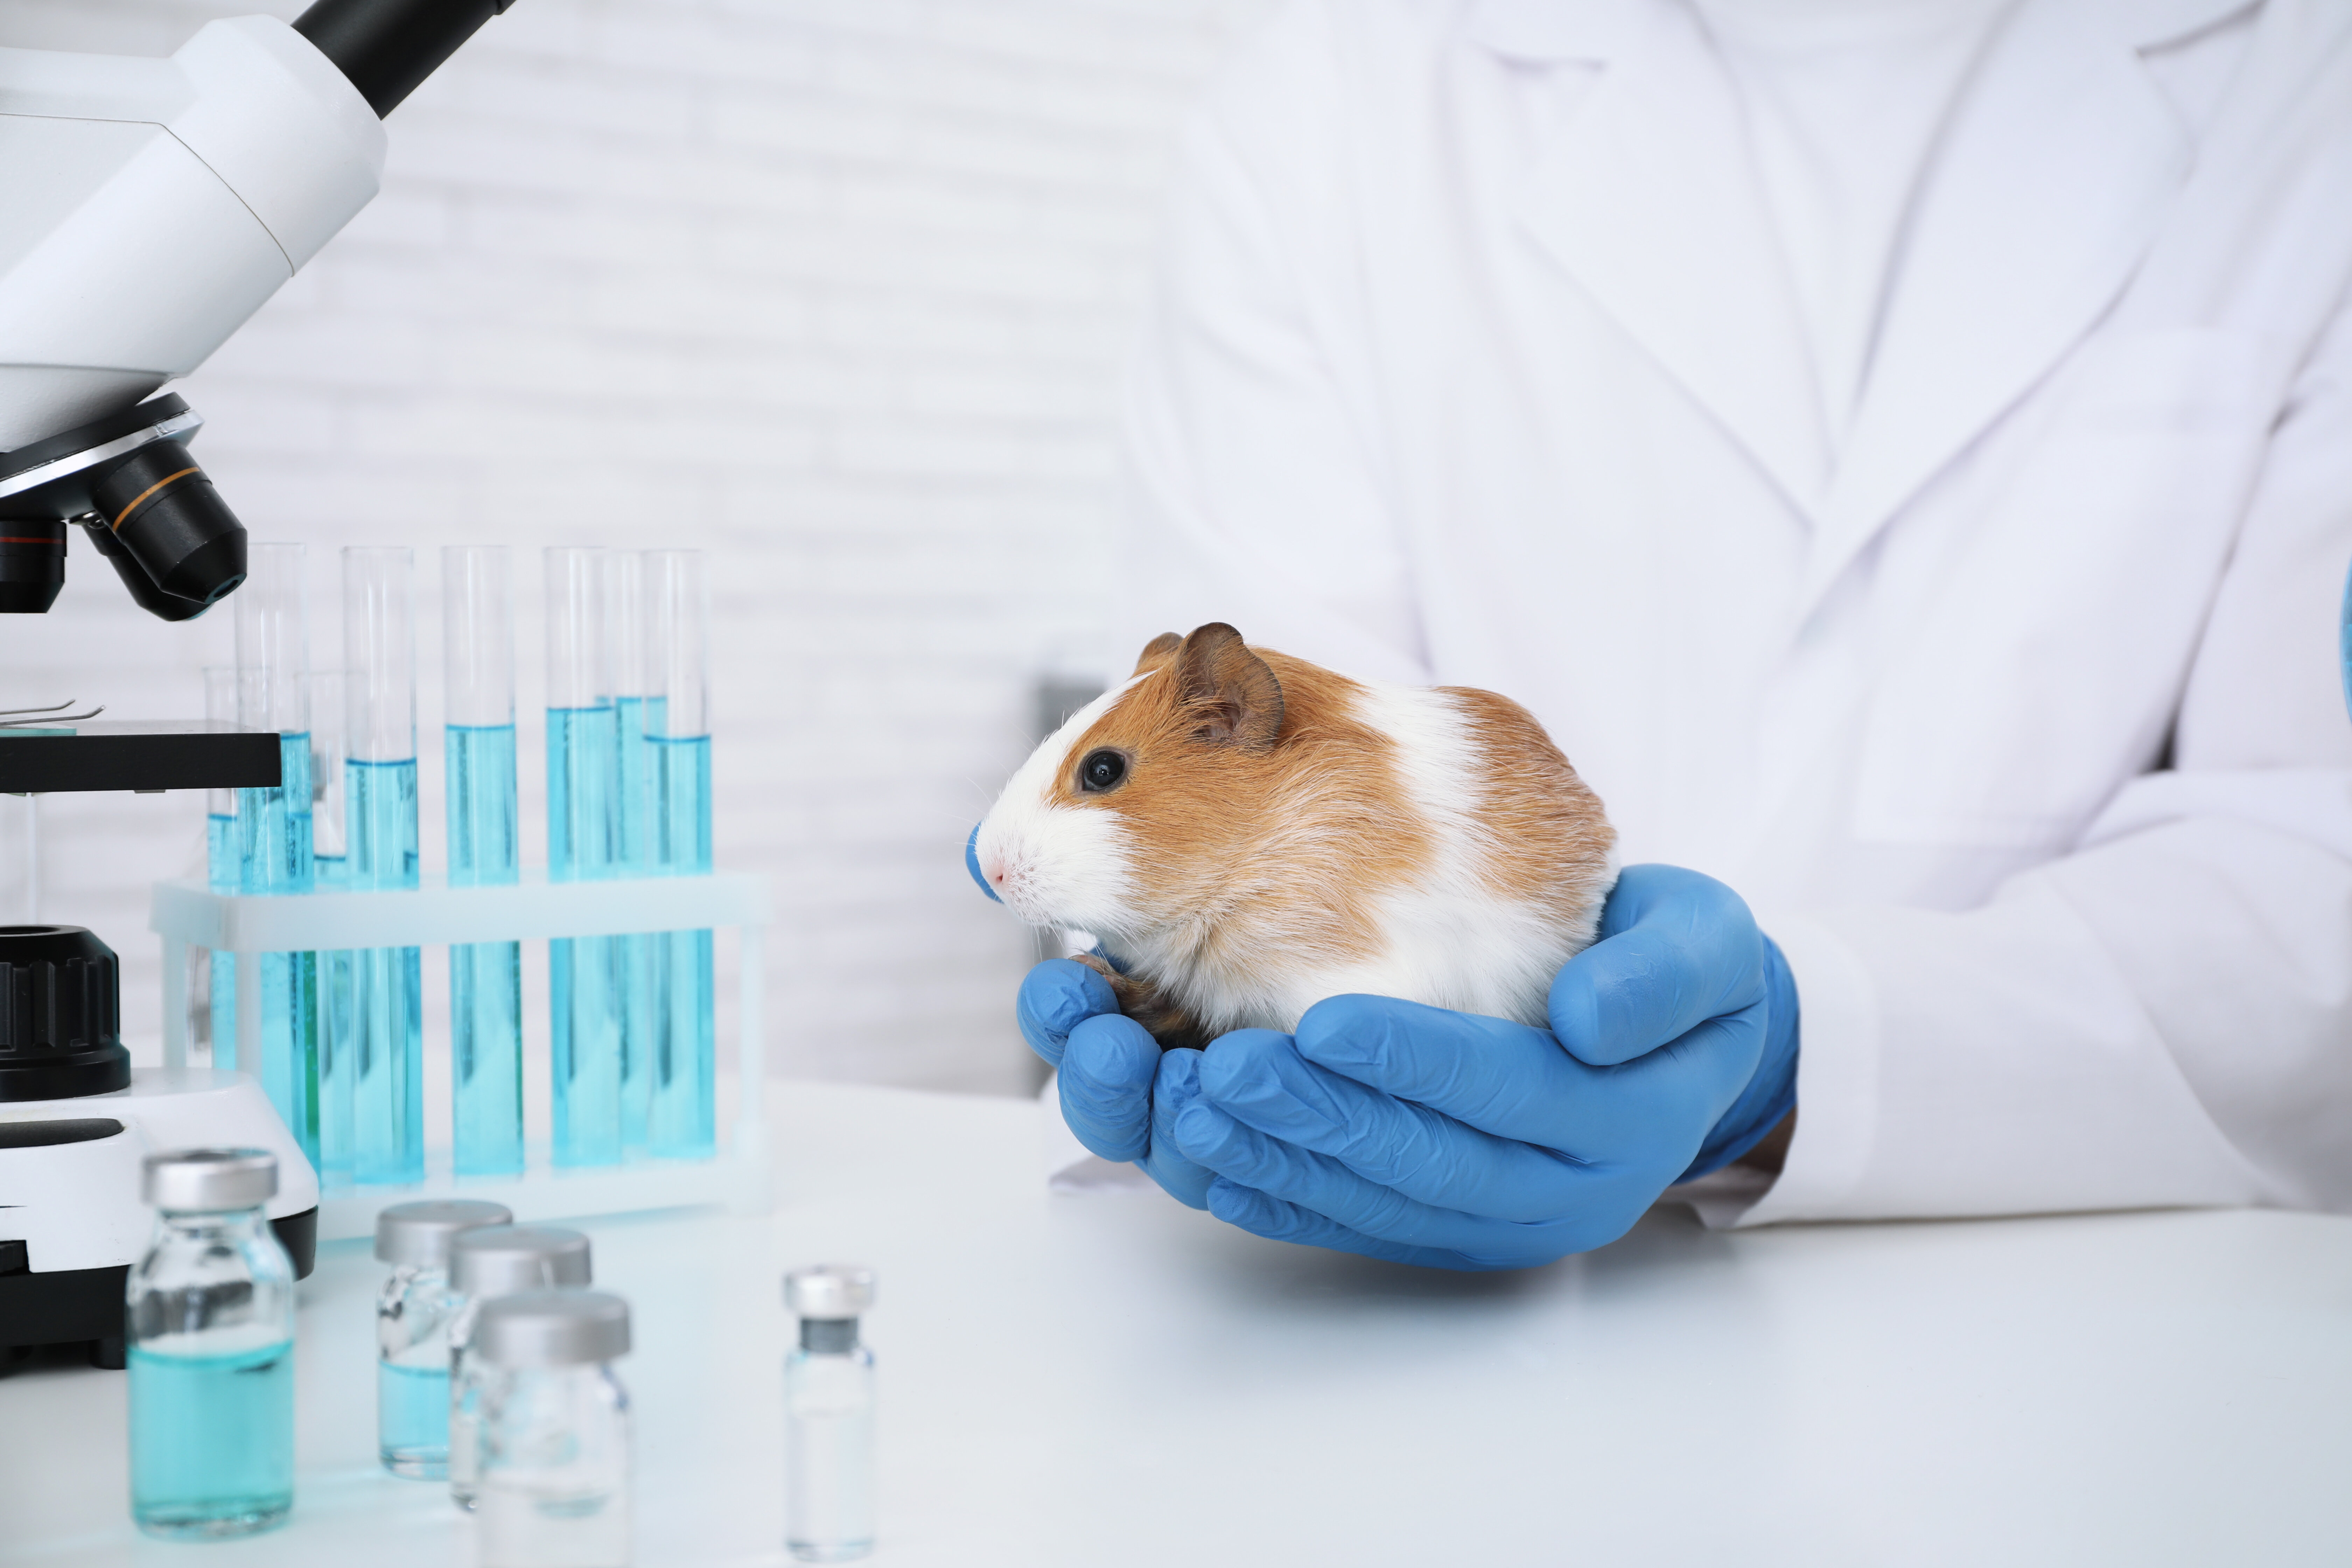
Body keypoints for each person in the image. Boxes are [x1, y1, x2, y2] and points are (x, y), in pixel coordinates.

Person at [992, 0, 2352, 1268]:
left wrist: (1811, 1048)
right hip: (1352, 1316)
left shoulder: (2306, 85)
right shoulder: (1341, 88)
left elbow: (2312, 860)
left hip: (2081, 1278)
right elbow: (1249, 735)